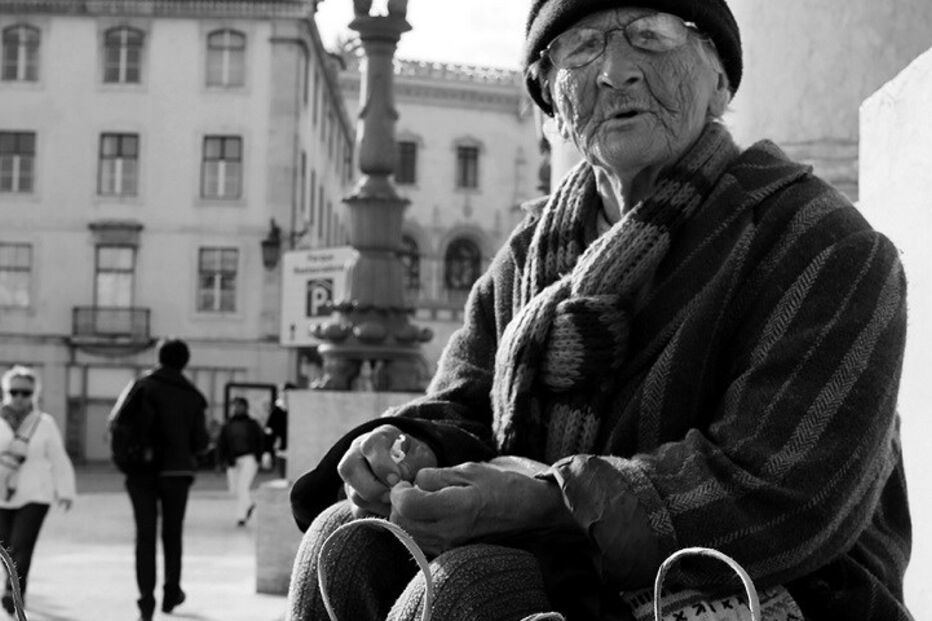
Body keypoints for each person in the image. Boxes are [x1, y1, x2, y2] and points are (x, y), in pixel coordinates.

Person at [287, 1, 912, 620]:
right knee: (343, 545)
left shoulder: (820, 243)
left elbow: (781, 490)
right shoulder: (530, 254)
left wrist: (548, 501)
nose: (616, 71)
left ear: (720, 82)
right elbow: (464, 403)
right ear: (552, 103)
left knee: (473, 589)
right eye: (581, 49)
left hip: (779, 582)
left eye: (652, 35)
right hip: (571, 561)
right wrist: (409, 450)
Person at [111, 338, 209, 621]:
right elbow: (200, 443)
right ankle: (171, 592)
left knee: (145, 536)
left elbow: (117, 422)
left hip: (140, 472)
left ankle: (146, 601)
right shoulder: (193, 395)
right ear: (185, 362)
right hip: (177, 473)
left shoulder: (141, 385)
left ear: (159, 357)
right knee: (172, 534)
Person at [0, 366, 75, 615]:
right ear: (6, 391)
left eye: (26, 392)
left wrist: (65, 491)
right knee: (5, 546)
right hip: (1, 495)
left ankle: (13, 591)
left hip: (36, 494)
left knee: (22, 544)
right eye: (14, 391)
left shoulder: (44, 423)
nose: (20, 397)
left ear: (34, 393)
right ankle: (11, 583)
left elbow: (58, 458)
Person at [217, 397, 264, 526]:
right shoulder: (228, 425)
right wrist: (220, 462)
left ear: (245, 407)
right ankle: (245, 510)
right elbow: (222, 444)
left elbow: (260, 440)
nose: (237, 408)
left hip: (249, 458)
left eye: (239, 406)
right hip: (233, 460)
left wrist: (259, 457)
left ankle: (242, 514)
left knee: (242, 486)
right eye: (235, 406)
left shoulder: (252, 424)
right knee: (235, 489)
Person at [263, 382, 294, 477]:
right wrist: (267, 451)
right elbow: (269, 431)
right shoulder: (277, 410)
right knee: (285, 476)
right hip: (282, 449)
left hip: (297, 448)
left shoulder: (299, 408)